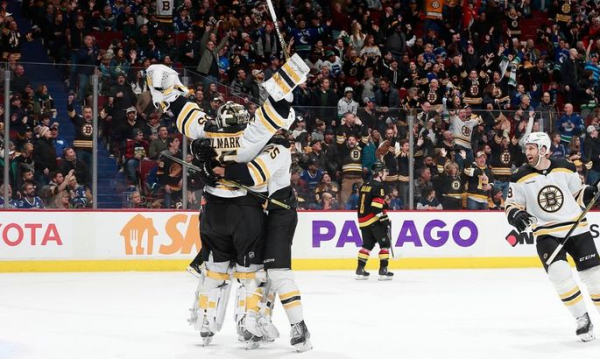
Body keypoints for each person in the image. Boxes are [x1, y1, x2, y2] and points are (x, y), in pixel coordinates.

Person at [145, 58, 308, 348]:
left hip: (211, 210)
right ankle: (249, 324)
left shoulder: (206, 131)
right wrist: (285, 87)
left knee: (215, 267)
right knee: (251, 273)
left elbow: (180, 107)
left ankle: (205, 322)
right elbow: (278, 113)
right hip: (245, 211)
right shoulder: (252, 136)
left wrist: (164, 88)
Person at [212, 133, 312, 352]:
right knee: (258, 272)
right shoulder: (258, 146)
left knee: (278, 271)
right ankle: (260, 321)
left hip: (280, 214)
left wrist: (224, 171)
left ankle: (299, 328)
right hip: (263, 214)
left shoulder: (277, 148)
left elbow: (252, 175)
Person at [505, 132, 600, 342]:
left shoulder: (565, 166)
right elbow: (511, 205)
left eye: (531, 148)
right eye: (526, 148)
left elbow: (579, 194)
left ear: (543, 149)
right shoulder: (519, 176)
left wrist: (593, 192)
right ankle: (582, 319)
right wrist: (517, 215)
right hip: (546, 233)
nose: (527, 152)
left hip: (577, 229)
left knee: (594, 278)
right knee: (559, 274)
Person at [355, 161, 394, 280]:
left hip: (362, 220)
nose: (386, 173)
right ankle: (383, 271)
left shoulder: (364, 184)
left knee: (367, 245)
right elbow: (376, 208)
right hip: (373, 220)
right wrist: (384, 220)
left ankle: (360, 270)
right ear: (379, 172)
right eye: (384, 171)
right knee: (385, 244)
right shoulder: (379, 186)